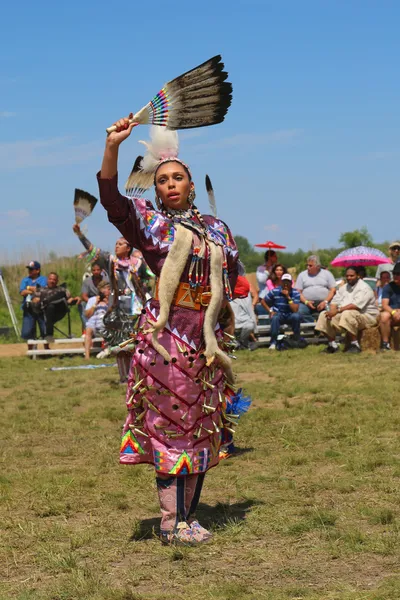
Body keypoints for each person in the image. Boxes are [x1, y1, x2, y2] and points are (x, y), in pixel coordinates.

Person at [97, 118, 242, 546]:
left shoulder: (217, 228)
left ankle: (188, 517)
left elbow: (229, 280)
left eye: (178, 177)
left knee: (202, 428)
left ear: (191, 183)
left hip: (207, 344)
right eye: (163, 180)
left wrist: (222, 323)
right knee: (172, 427)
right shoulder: (150, 225)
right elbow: (111, 200)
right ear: (155, 189)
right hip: (167, 342)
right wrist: (112, 146)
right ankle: (170, 522)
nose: (171, 184)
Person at [73, 224, 150, 382]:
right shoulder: (111, 262)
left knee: (139, 343)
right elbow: (93, 250)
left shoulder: (139, 262)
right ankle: (124, 378)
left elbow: (152, 274)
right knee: (121, 345)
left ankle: (139, 376)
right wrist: (80, 235)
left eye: (120, 244)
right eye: (115, 244)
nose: (116, 246)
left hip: (136, 308)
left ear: (128, 247)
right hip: (118, 309)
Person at [316, 266, 379, 354]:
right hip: (347, 314)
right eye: (347, 276)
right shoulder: (343, 288)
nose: (349, 278)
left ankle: (354, 345)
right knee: (324, 315)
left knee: (348, 313)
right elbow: (334, 302)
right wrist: (332, 312)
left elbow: (355, 306)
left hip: (367, 316)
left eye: (351, 276)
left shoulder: (364, 288)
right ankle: (332, 344)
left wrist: (337, 311)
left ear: (358, 276)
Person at [30, 272, 81, 341]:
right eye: (50, 279)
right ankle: (49, 334)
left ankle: (48, 301)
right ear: (47, 280)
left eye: (54, 279)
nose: (52, 281)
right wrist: (35, 300)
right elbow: (34, 300)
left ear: (57, 281)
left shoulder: (62, 289)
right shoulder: (40, 290)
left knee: (61, 293)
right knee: (50, 306)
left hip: (59, 311)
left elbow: (69, 300)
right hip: (45, 312)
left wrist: (75, 299)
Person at [260, 273, 301, 350]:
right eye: (284, 281)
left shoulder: (295, 293)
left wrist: (288, 297)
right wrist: (270, 311)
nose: (286, 284)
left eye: (288, 282)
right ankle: (273, 342)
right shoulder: (275, 291)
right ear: (281, 282)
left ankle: (296, 339)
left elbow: (295, 310)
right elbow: (263, 301)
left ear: (291, 283)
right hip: (278, 314)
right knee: (275, 318)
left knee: (296, 316)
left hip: (290, 314)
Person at [296, 255, 336, 322]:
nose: (308, 267)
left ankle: (326, 328)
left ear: (317, 266)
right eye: (307, 265)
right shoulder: (302, 275)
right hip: (306, 302)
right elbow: (298, 291)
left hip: (325, 302)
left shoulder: (327, 274)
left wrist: (325, 301)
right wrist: (306, 302)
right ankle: (314, 326)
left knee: (331, 311)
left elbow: (333, 290)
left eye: (310, 266)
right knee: (300, 311)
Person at [19, 261, 48, 340]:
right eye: (29, 269)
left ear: (38, 270)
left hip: (41, 308)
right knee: (28, 331)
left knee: (44, 330)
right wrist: (34, 290)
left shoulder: (44, 279)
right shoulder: (25, 280)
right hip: (28, 308)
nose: (29, 271)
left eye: (32, 269)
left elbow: (44, 290)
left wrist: (28, 288)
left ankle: (46, 349)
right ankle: (32, 350)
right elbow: (22, 292)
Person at [84, 280, 111, 359]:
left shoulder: (111, 300)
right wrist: (95, 304)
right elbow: (87, 315)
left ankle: (106, 351)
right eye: (107, 289)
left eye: (109, 289)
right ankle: (87, 356)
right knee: (88, 330)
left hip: (105, 322)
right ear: (101, 290)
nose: (109, 291)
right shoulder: (92, 300)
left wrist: (107, 304)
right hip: (93, 321)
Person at [231, 275, 258, 350]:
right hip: (233, 312)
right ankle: (236, 343)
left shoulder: (246, 284)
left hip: (244, 313)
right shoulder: (228, 285)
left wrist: (252, 305)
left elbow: (255, 295)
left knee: (250, 325)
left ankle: (240, 341)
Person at [379, 263, 400, 351]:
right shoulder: (388, 287)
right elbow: (384, 305)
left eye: (398, 274)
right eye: (394, 274)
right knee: (384, 316)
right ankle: (385, 344)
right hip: (392, 313)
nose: (395, 276)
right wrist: (393, 312)